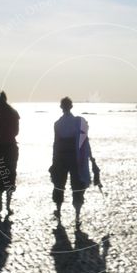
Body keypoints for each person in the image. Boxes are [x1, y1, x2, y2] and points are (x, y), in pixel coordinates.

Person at [50, 96, 93, 224]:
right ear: (71, 106)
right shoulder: (79, 122)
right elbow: (85, 142)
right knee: (77, 185)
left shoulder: (57, 124)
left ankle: (58, 209)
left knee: (59, 184)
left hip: (61, 157)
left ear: (61, 107)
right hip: (75, 158)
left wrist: (53, 161)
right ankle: (77, 214)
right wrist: (91, 158)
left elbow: (56, 143)